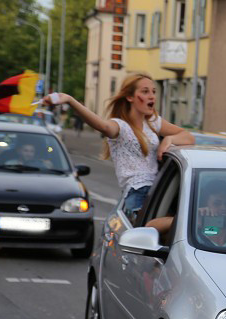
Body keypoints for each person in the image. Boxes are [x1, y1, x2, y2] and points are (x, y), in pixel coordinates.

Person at [49, 73, 194, 219]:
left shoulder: (153, 122)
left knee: (180, 226)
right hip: (138, 193)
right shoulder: (120, 126)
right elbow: (102, 125)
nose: (152, 96)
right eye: (145, 91)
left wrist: (168, 140)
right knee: (176, 225)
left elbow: (188, 137)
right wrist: (70, 100)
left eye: (153, 91)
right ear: (130, 97)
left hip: (157, 192)